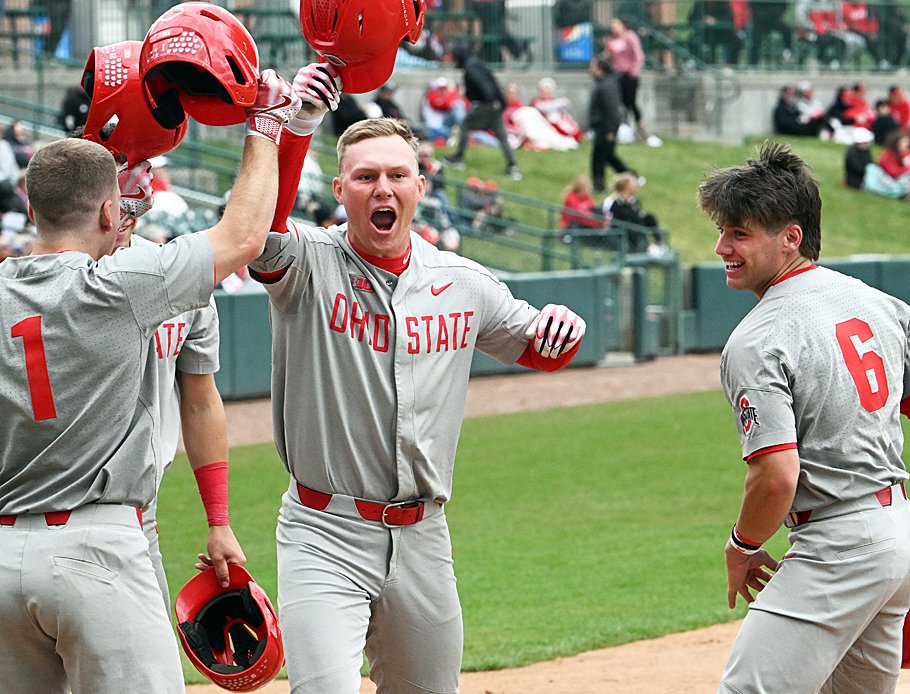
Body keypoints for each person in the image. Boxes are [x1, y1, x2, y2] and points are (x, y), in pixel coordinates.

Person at [248, 104, 587, 691]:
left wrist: (563, 326)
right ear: (340, 189)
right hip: (325, 531)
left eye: (397, 175)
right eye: (366, 177)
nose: (384, 188)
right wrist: (298, 127)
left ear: (420, 186)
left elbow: (540, 348)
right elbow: (264, 230)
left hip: (424, 534)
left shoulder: (462, 281)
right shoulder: (309, 262)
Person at [0, 67, 300, 693]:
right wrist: (267, 124)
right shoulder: (118, 288)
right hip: (97, 551)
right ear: (112, 211)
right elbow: (244, 236)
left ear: (31, 207)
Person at [697, 140, 910, 693]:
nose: (722, 246)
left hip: (839, 550)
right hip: (897, 534)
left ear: (791, 237)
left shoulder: (758, 338)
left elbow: (776, 475)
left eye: (739, 232)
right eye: (722, 231)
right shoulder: (878, 303)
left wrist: (743, 548)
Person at [113, 168, 245, 612]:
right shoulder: (48, 285)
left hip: (138, 513)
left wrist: (219, 520)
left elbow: (201, 400)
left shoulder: (179, 277)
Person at [444, 44, 523, 181]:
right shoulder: (475, 63)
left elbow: (483, 84)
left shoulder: (470, 68)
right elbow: (491, 81)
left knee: (465, 125)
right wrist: (500, 101)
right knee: (502, 136)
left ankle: (458, 157)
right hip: (495, 105)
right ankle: (512, 166)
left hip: (488, 104)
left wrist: (491, 100)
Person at [588, 54, 629, 194]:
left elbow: (612, 110)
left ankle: (600, 184)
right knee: (607, 156)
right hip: (602, 127)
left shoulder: (607, 85)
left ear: (599, 68)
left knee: (600, 157)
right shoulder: (603, 83)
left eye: (592, 66)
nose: (590, 69)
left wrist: (611, 130)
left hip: (605, 128)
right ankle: (629, 176)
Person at [602, 16, 647, 139]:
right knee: (618, 102)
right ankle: (623, 128)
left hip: (629, 74)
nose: (614, 28)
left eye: (616, 25)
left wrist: (634, 71)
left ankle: (640, 127)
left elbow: (638, 55)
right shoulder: (612, 39)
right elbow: (607, 55)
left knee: (630, 102)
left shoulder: (630, 37)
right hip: (617, 74)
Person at [602, 171, 664, 254]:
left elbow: (638, 214)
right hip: (624, 229)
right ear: (627, 186)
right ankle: (644, 249)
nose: (636, 186)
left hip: (636, 226)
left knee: (649, 217)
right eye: (633, 184)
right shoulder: (615, 202)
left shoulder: (634, 201)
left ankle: (660, 245)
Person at [530, 76, 583, 142]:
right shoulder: (536, 101)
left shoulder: (554, 100)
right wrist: (559, 103)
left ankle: (573, 133)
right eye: (544, 90)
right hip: (545, 125)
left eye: (548, 90)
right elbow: (544, 107)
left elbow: (565, 105)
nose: (546, 92)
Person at [421, 76, 467, 146]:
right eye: (441, 88)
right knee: (458, 106)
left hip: (444, 127)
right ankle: (462, 130)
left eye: (445, 88)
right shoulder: (431, 96)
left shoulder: (444, 96)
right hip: (433, 129)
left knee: (459, 106)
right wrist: (453, 92)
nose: (443, 91)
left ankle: (461, 130)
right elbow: (447, 104)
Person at [748, 0, 793, 65]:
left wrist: (776, 14)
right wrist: (761, 15)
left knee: (787, 30)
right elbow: (752, 5)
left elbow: (784, 5)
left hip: (774, 19)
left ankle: (787, 54)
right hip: (759, 20)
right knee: (755, 39)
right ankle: (752, 64)